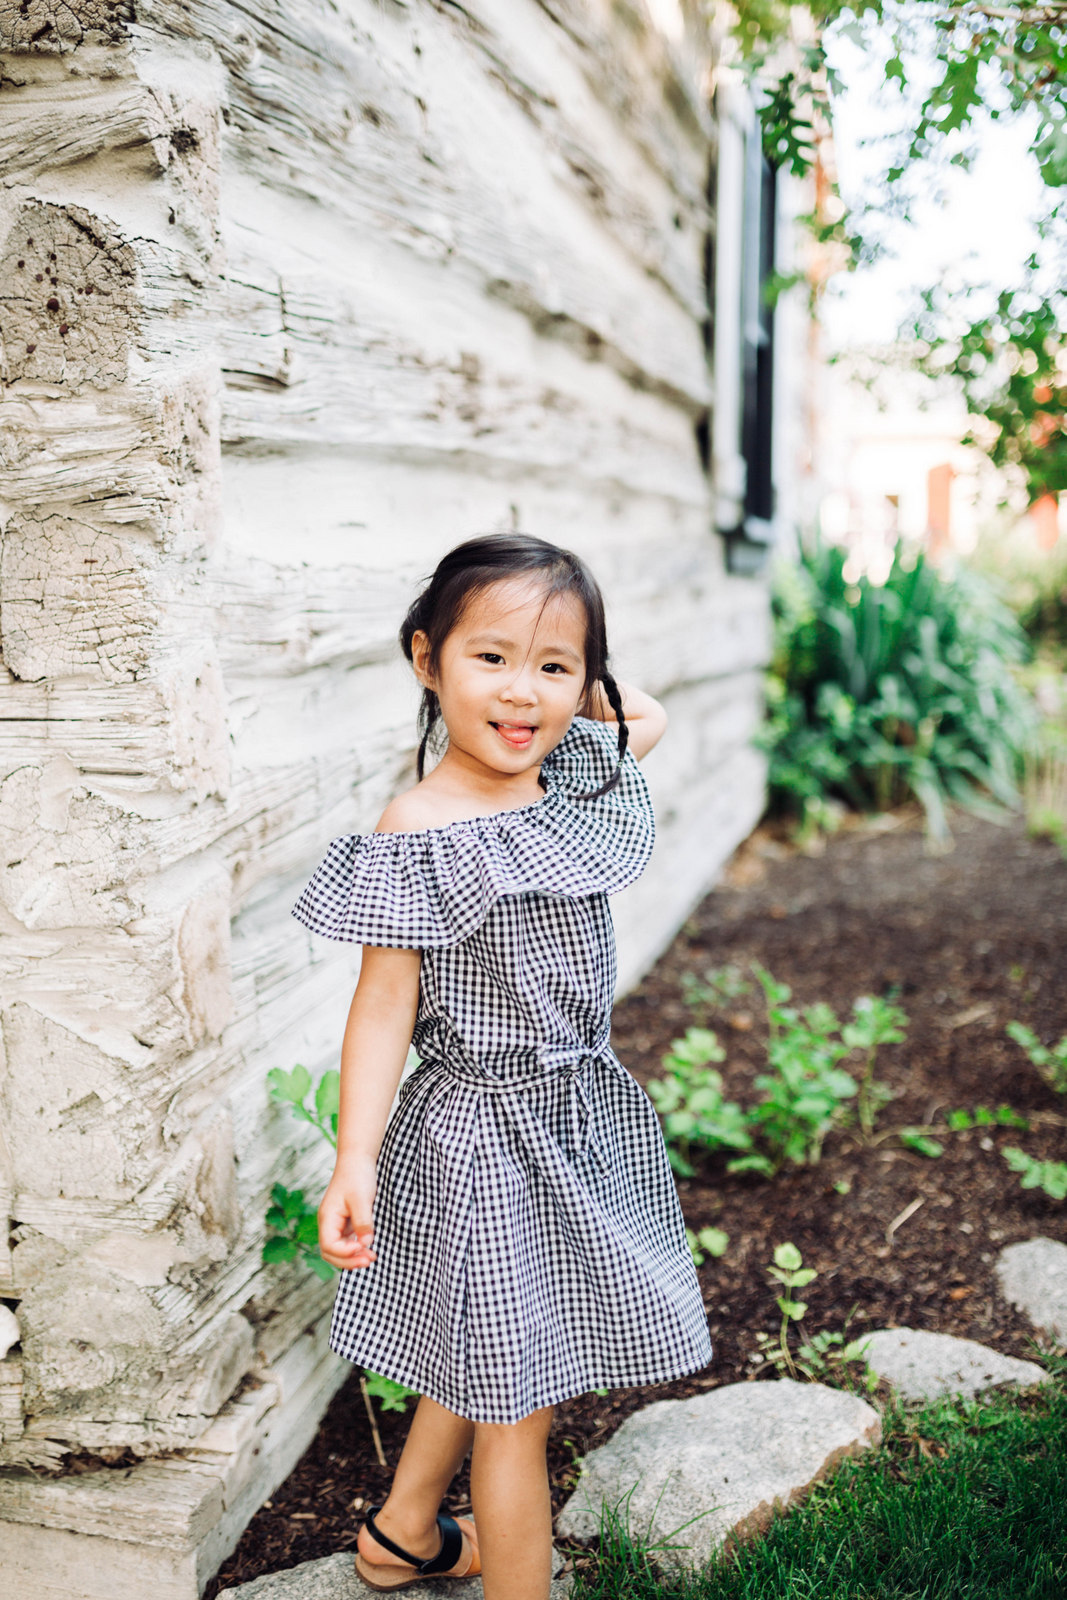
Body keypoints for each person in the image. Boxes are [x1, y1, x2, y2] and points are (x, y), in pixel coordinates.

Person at [291, 533, 713, 1598]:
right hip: (480, 1132)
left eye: (554, 665)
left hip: (567, 1114)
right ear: (425, 658)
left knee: (487, 1340)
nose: (522, 691)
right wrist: (356, 1158)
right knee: (515, 1402)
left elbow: (645, 716)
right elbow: (383, 1002)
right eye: (491, 659)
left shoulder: (563, 779)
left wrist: (575, 691)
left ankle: (398, 1536)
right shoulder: (418, 827)